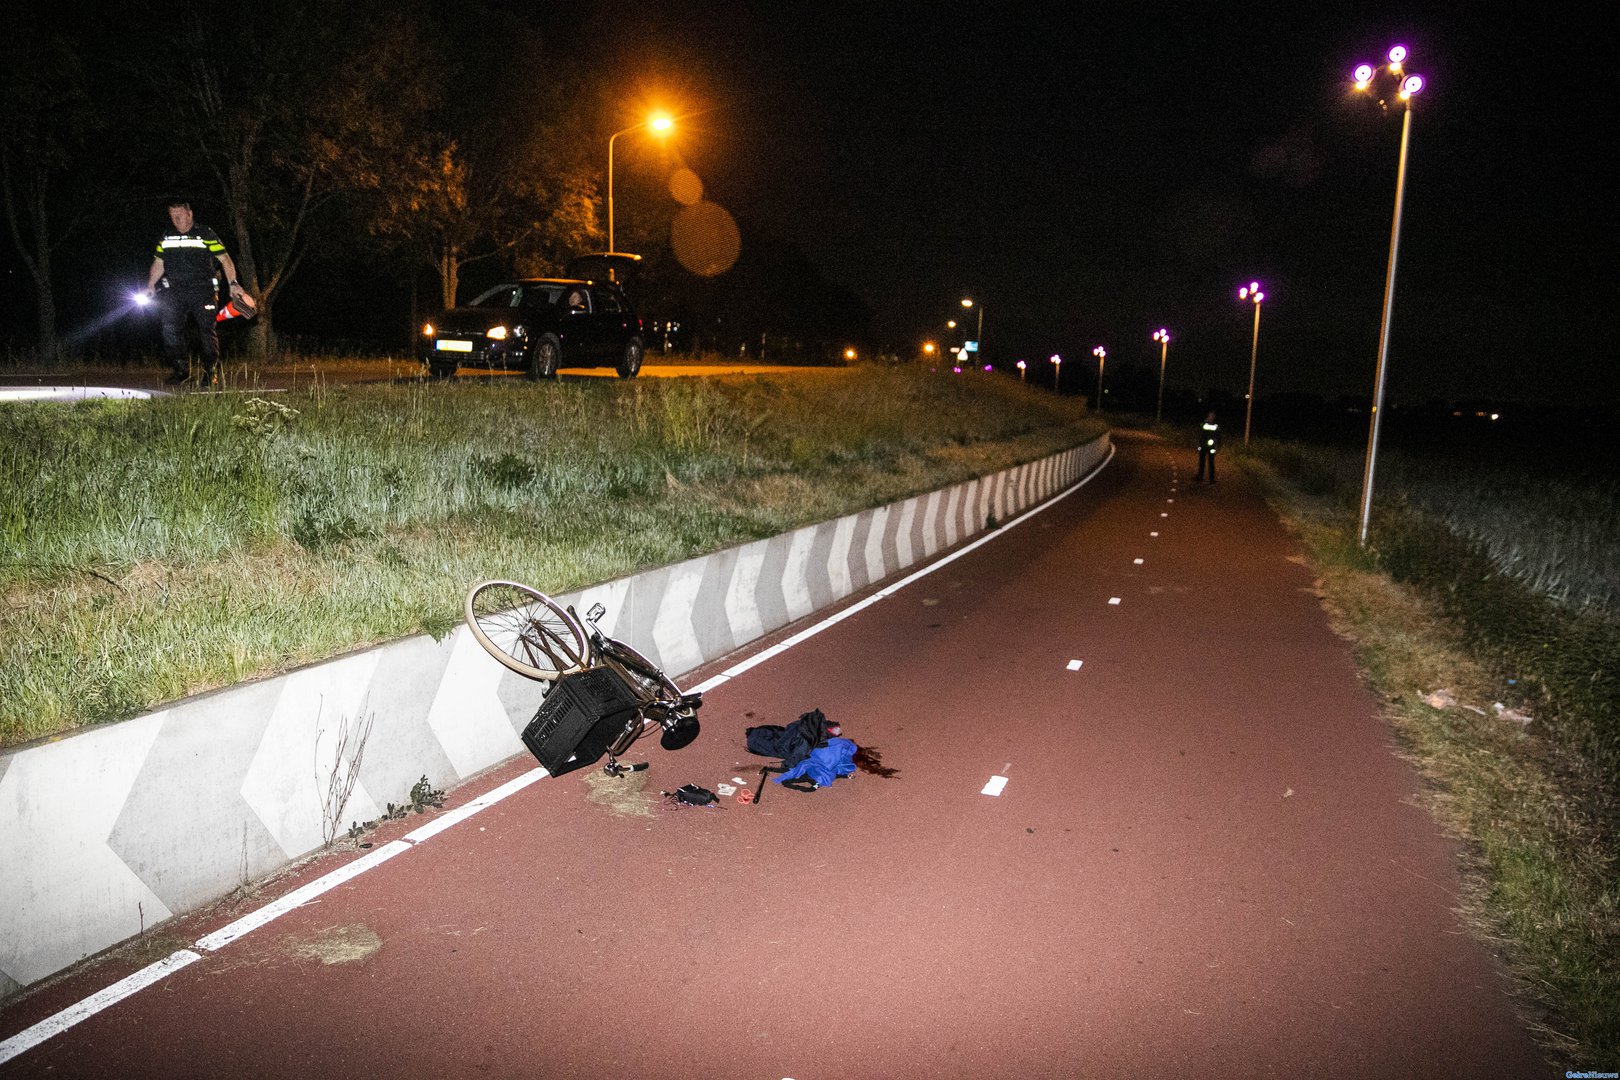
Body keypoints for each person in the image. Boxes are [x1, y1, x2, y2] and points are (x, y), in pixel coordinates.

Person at [146, 199, 244, 387]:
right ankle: (181, 370)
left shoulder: (205, 234)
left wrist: (233, 283)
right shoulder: (167, 237)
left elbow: (225, 259)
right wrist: (150, 284)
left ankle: (211, 372)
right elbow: (159, 263)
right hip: (175, 291)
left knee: (206, 329)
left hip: (203, 290)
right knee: (169, 329)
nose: (176, 219)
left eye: (179, 215)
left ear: (190, 214)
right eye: (172, 216)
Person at [1195, 410, 1220, 483]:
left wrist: (1217, 445)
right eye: (1210, 416)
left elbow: (1218, 436)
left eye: (1212, 416)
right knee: (1201, 461)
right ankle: (1200, 476)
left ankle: (1211, 478)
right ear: (1208, 416)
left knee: (1211, 462)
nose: (1211, 417)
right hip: (1203, 445)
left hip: (1211, 446)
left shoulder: (1215, 425)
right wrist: (1199, 444)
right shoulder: (1204, 424)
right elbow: (1200, 434)